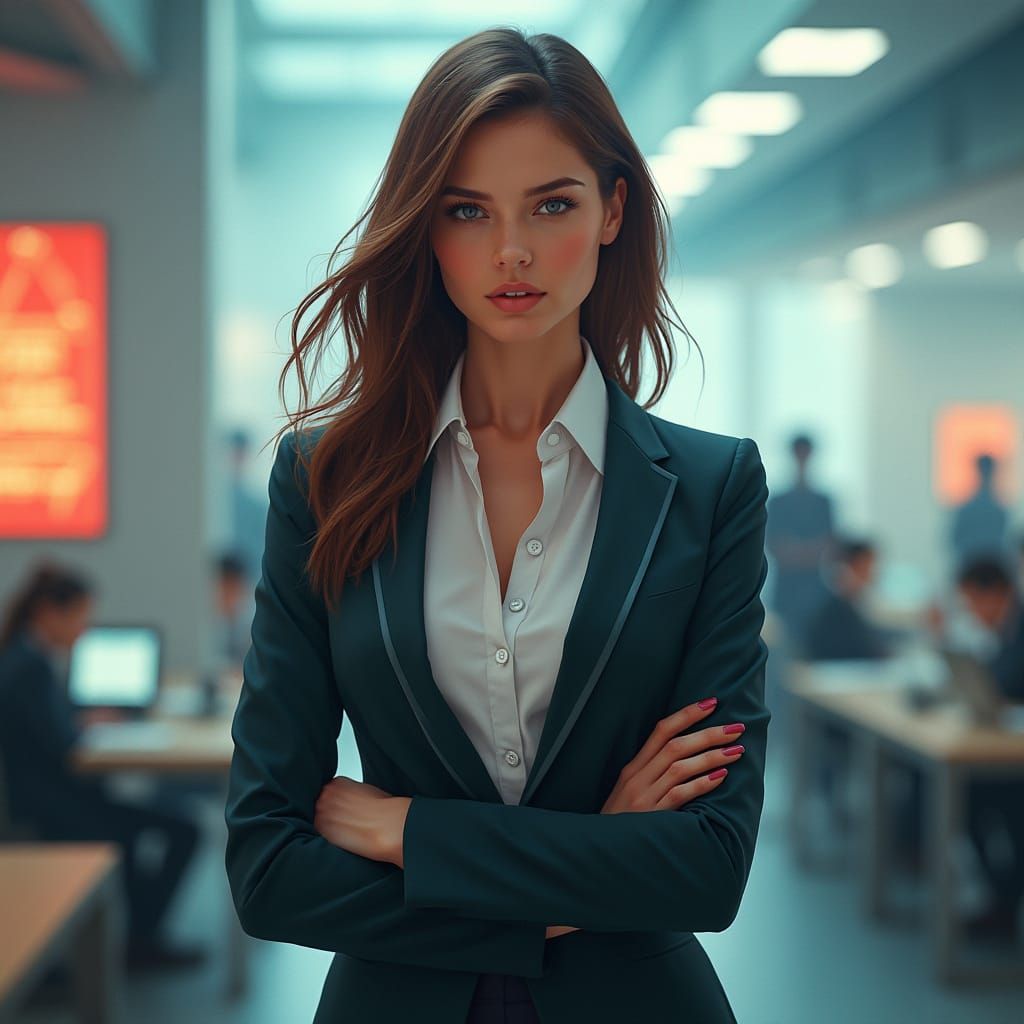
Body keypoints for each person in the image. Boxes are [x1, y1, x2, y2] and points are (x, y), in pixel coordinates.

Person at [224, 27, 771, 1024]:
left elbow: (709, 865)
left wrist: (406, 830)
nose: (510, 252)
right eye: (466, 211)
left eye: (550, 204)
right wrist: (585, 871)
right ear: (424, 231)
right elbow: (267, 866)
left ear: (612, 210)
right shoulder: (326, 478)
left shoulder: (710, 486)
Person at [0, 562, 208, 970]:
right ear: (47, 612)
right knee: (183, 827)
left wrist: (80, 722)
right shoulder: (29, 668)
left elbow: (51, 734)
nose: (83, 629)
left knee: (159, 821)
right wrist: (81, 728)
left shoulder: (27, 659)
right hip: (53, 809)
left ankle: (139, 935)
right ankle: (141, 940)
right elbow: (64, 747)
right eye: (79, 617)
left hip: (57, 797)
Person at [951, 557, 1024, 943]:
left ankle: (1005, 902)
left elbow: (1009, 681)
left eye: (974, 603)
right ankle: (1002, 900)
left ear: (996, 593)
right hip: (1006, 753)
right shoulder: (1006, 628)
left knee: (980, 797)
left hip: (1014, 761)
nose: (973, 613)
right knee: (967, 797)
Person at [765, 433, 835, 653]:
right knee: (785, 653)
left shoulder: (824, 501)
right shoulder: (777, 501)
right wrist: (809, 551)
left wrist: (795, 551)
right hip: (787, 590)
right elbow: (774, 545)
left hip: (815, 588)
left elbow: (829, 544)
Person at [949, 453, 1010, 568]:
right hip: (972, 566)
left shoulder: (999, 510)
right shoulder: (967, 509)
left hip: (992, 566)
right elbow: (955, 538)